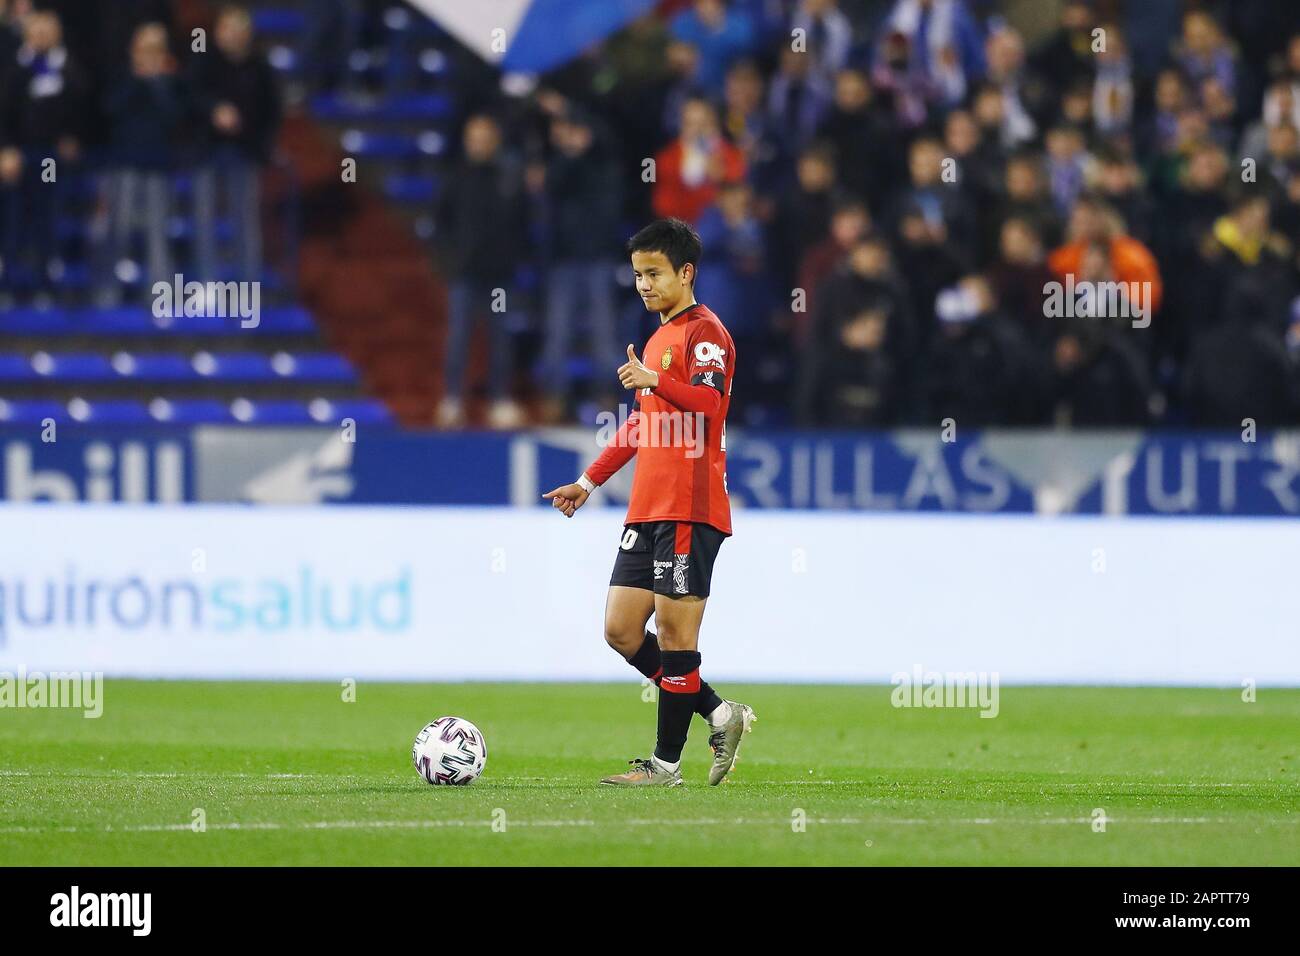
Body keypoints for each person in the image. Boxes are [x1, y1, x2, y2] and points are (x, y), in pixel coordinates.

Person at [542, 218, 754, 787]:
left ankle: (664, 765)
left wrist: (653, 381)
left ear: (686, 273)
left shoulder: (704, 333)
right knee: (621, 630)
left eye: (654, 273)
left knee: (678, 638)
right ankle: (718, 712)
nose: (643, 284)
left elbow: (709, 405)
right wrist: (588, 483)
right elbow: (642, 426)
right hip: (647, 507)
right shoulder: (659, 337)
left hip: (690, 505)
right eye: (638, 274)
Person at [189, 5, 281, 284]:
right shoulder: (203, 62)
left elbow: (271, 110)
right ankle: (207, 283)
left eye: (236, 29)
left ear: (246, 33)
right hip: (207, 150)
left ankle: (247, 282)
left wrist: (258, 142)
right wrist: (214, 110)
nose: (229, 35)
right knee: (204, 219)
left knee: (245, 221)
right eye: (224, 28)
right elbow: (191, 98)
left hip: (245, 152)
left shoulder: (260, 67)